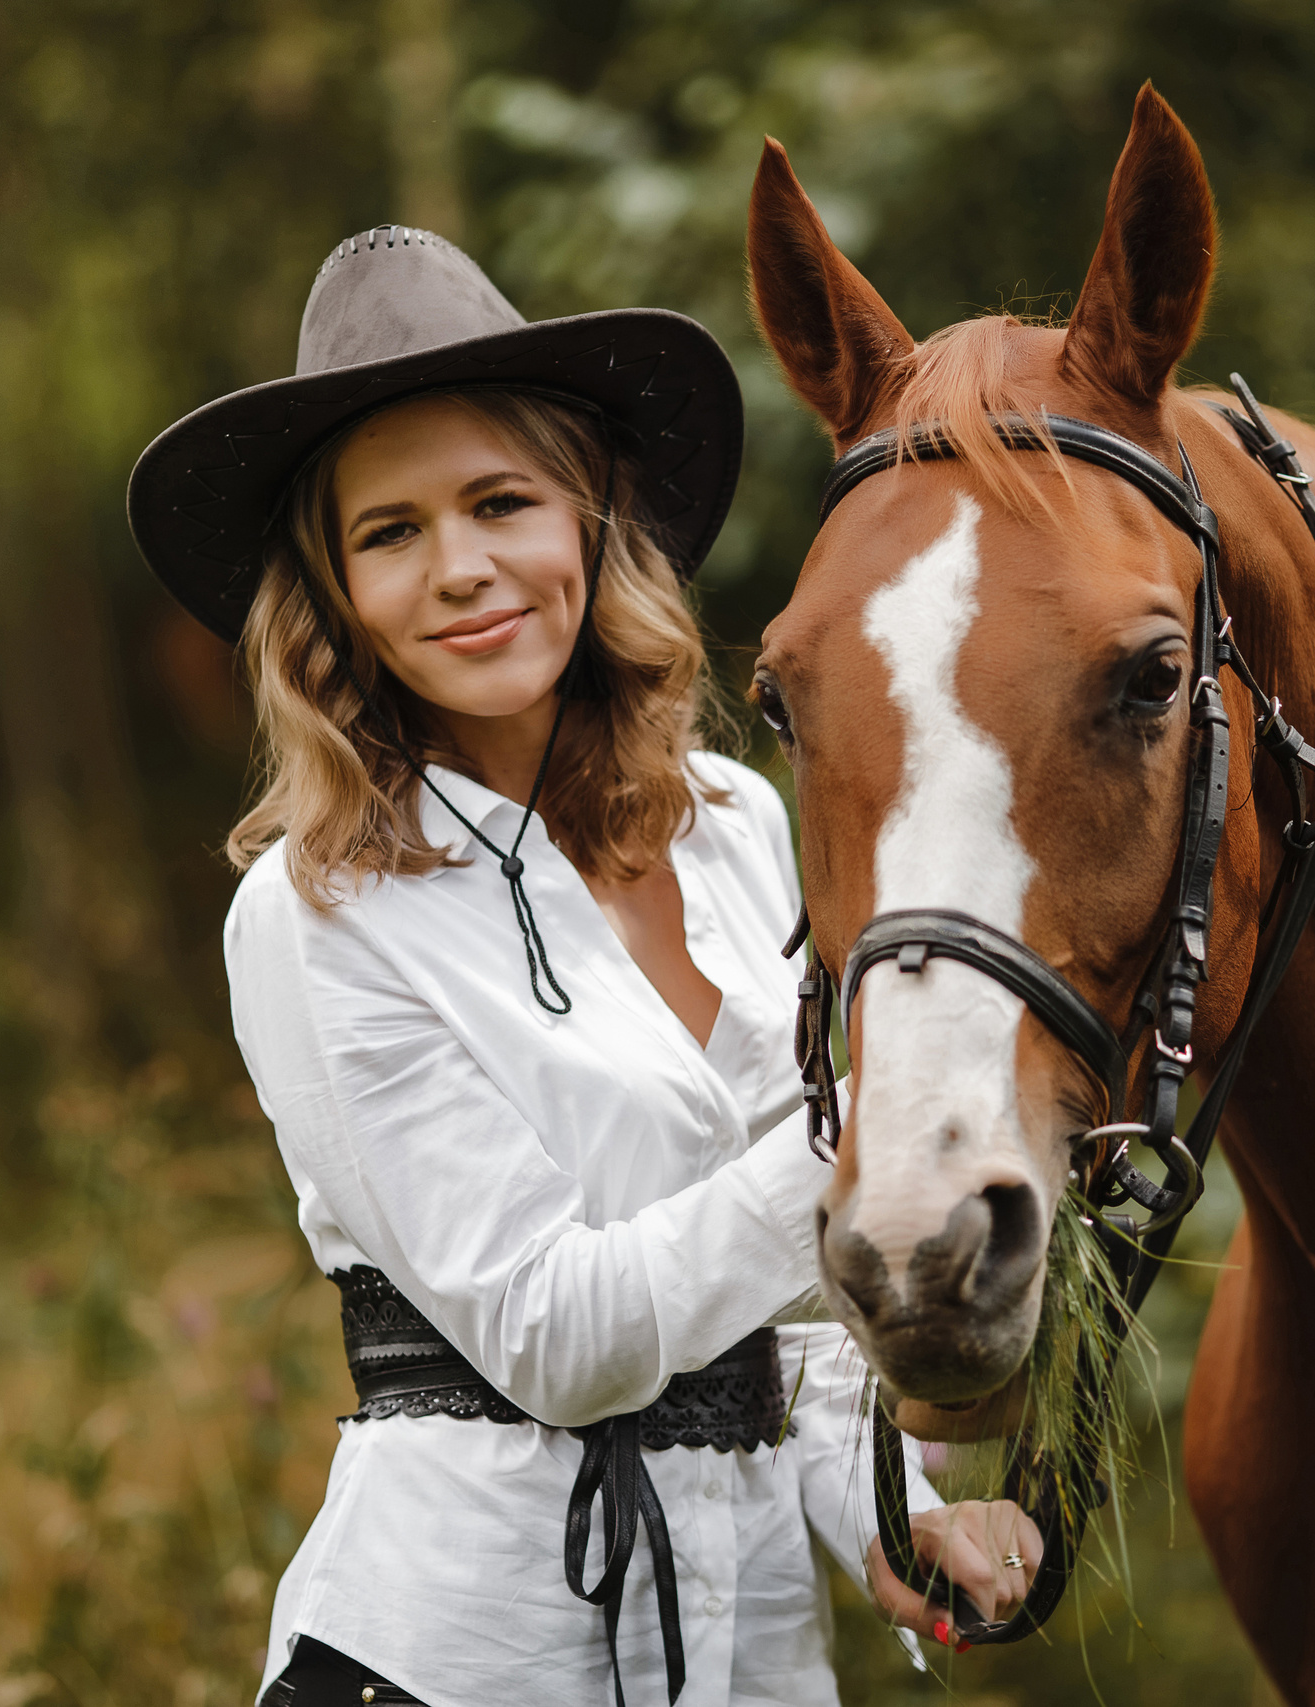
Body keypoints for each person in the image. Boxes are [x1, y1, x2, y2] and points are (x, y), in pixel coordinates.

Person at [128, 226, 1040, 1707]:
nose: (462, 570)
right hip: (458, 1660)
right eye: (390, 533)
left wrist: (890, 1512)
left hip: (753, 1661)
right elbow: (560, 1337)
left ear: (590, 519)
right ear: (334, 589)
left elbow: (791, 1319)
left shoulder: (733, 825)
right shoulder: (318, 914)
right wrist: (876, 1126)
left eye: (502, 502)